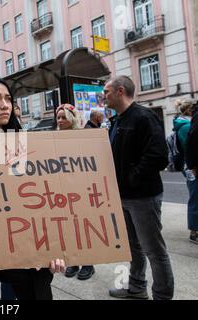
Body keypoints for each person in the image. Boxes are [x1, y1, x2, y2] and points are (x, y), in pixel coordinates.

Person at [0, 75, 66, 300]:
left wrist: (54, 247)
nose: (5, 104)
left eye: (8, 98)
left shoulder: (30, 145)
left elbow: (45, 199)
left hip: (26, 246)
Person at [104, 75, 174, 300]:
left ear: (120, 91)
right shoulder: (118, 120)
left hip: (143, 197)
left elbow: (159, 156)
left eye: (106, 92)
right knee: (133, 247)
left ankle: (162, 296)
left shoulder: (144, 117)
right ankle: (136, 288)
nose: (103, 96)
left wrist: (132, 179)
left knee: (154, 250)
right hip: (123, 196)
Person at [56, 104, 96, 281]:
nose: (60, 120)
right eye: (58, 117)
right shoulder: (53, 138)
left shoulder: (81, 137)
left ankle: (88, 263)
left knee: (82, 228)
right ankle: (73, 261)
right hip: (62, 190)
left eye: (64, 117)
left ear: (72, 118)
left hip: (80, 189)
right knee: (68, 228)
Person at [185, 100, 198, 244]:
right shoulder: (188, 124)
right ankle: (194, 231)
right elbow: (191, 143)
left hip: (193, 165)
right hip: (194, 167)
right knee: (195, 198)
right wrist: (193, 166)